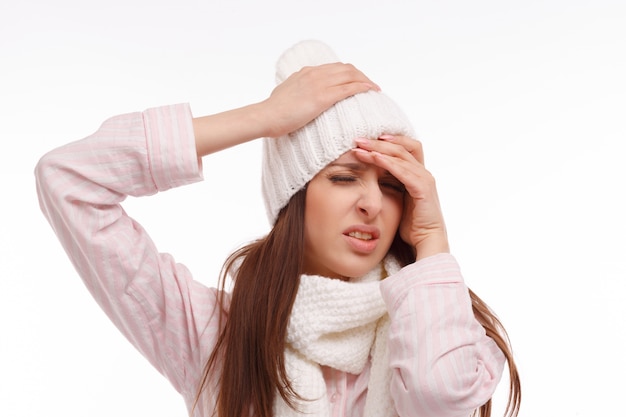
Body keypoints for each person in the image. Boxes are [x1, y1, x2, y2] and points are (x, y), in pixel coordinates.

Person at [35, 40, 521, 417]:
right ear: (295, 197)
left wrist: (433, 240)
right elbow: (70, 180)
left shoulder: (443, 324)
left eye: (394, 185)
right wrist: (263, 119)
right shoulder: (214, 337)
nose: (373, 202)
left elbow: (438, 397)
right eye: (344, 176)